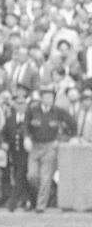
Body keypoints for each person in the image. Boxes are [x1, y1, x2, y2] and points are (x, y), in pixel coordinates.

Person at [25, 84, 75, 213]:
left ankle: (40, 206)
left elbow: (72, 123)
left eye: (51, 97)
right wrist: (27, 137)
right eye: (47, 97)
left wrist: (64, 139)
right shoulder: (32, 110)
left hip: (50, 146)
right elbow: (26, 125)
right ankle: (44, 194)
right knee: (32, 176)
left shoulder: (58, 111)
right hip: (35, 146)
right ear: (41, 98)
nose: (49, 99)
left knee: (46, 177)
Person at [0, 90, 32, 211]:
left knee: (20, 176)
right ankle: (27, 200)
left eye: (23, 103)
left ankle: (12, 203)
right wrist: (4, 142)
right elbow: (4, 132)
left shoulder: (30, 117)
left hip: (27, 153)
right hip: (15, 152)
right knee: (19, 176)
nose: (20, 106)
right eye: (18, 103)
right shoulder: (10, 118)